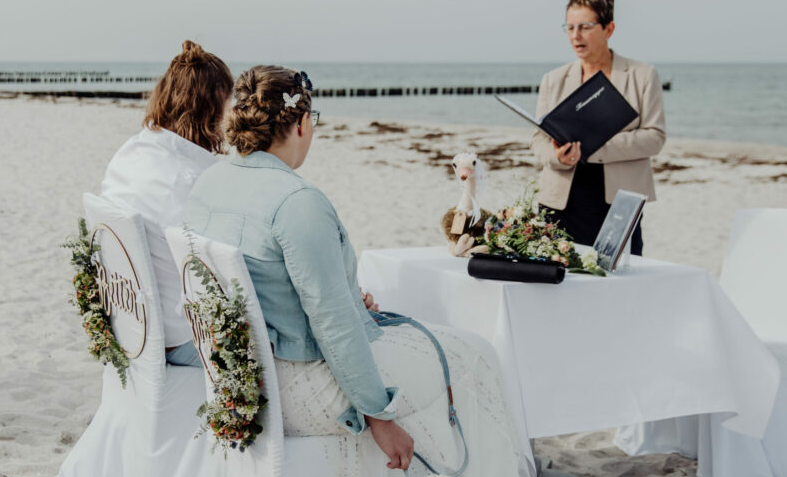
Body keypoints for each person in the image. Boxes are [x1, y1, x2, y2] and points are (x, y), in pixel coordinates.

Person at [185, 66, 532, 476]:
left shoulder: (209, 181)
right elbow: (333, 325)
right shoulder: (297, 201)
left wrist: (347, 295)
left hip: (242, 377)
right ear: (300, 123)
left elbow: (265, 287)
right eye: (312, 121)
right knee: (477, 357)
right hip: (296, 387)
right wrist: (380, 417)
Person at [98, 40, 233, 367]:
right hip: (180, 338)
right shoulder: (189, 180)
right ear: (212, 109)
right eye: (229, 102)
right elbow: (223, 274)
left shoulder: (132, 151)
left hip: (130, 322)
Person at [530, 0, 666, 254]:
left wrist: (593, 147)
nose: (575, 36)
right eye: (569, 28)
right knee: (560, 286)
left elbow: (654, 137)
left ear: (609, 29)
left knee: (619, 287)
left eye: (585, 27)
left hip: (618, 204)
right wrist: (558, 155)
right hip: (559, 202)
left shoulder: (642, 75)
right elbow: (538, 139)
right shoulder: (553, 79)